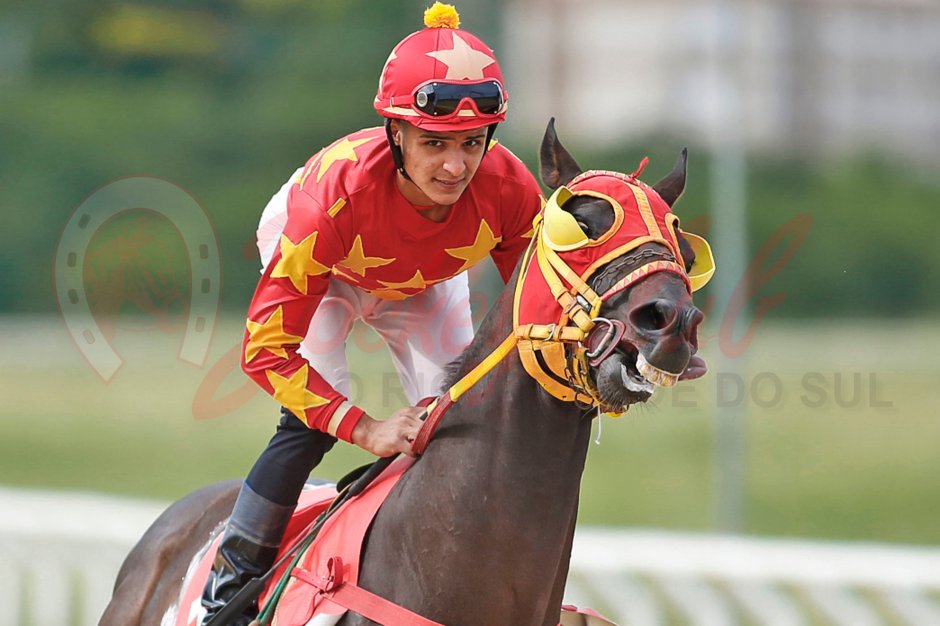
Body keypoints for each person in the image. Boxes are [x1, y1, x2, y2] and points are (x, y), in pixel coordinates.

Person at [199, 3, 544, 624]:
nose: (455, 167)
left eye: (472, 143)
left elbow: (537, 308)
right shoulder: (329, 203)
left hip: (423, 279)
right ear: (395, 134)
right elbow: (264, 352)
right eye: (434, 143)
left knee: (461, 416)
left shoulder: (512, 189)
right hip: (328, 272)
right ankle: (228, 586)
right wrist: (364, 430)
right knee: (307, 428)